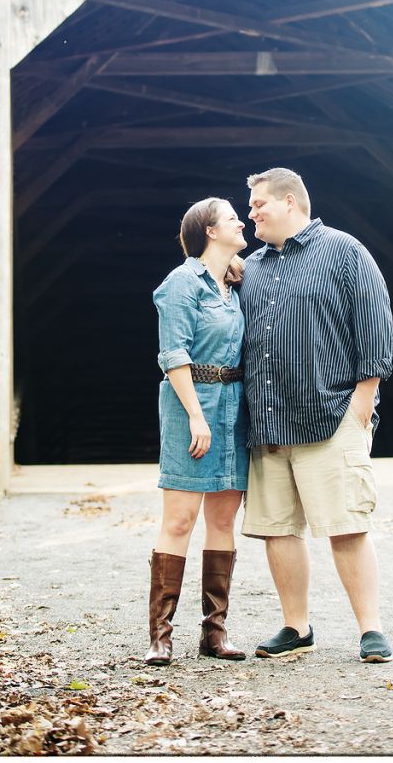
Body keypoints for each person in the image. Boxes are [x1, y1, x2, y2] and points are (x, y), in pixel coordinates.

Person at [239, 167, 393, 664]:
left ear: (290, 201)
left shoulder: (343, 250)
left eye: (259, 204)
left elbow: (374, 320)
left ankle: (370, 629)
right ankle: (295, 625)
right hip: (268, 423)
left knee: (346, 525)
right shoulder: (253, 268)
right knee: (277, 529)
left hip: (329, 415)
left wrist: (363, 403)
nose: (252, 212)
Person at [146, 197, 249, 666]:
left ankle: (215, 633)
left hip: (233, 408)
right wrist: (195, 415)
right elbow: (173, 355)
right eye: (231, 218)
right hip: (192, 406)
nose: (242, 221)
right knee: (180, 521)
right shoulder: (181, 283)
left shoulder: (236, 285)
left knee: (224, 522)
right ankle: (161, 636)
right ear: (209, 231)